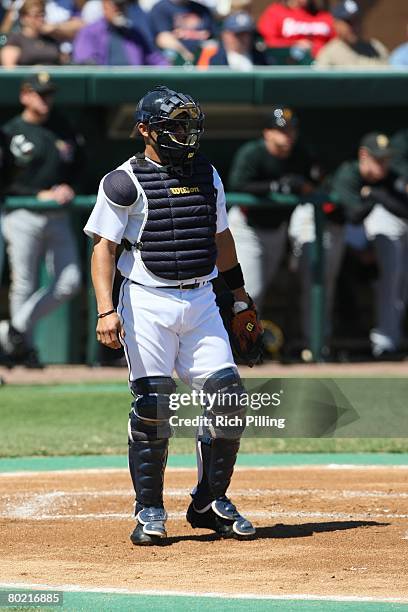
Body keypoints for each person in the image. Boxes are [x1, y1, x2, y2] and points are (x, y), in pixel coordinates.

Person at [84, 85, 261, 545]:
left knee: (229, 398)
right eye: (173, 126)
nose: (184, 134)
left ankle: (209, 502)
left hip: (202, 300)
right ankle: (149, 510)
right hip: (146, 300)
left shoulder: (207, 173)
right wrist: (106, 310)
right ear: (145, 130)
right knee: (154, 405)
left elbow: (221, 238)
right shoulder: (123, 180)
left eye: (188, 124)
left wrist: (240, 296)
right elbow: (103, 248)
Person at [0, 73, 82, 367]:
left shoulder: (62, 126)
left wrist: (69, 187)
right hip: (22, 214)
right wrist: (38, 193)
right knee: (24, 283)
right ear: (24, 95)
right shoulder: (11, 131)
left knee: (69, 282)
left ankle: (15, 331)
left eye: (48, 94)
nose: (44, 99)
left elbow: (79, 166)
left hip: (58, 215)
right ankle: (25, 349)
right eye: (38, 93)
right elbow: (5, 181)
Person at [228, 106, 319, 316]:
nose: (288, 136)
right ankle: (239, 346)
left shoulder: (301, 153)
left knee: (259, 292)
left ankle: (247, 343)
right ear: (267, 132)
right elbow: (237, 185)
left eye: (291, 131)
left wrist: (303, 184)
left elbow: (316, 182)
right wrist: (275, 186)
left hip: (277, 230)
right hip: (247, 228)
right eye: (281, 131)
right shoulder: (253, 152)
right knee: (251, 292)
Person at [331, 132, 408, 358]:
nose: (383, 165)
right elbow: (354, 215)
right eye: (378, 160)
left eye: (386, 160)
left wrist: (374, 193)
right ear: (363, 156)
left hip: (359, 234)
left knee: (393, 277)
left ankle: (385, 343)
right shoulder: (349, 172)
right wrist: (379, 196)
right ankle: (317, 345)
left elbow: (404, 209)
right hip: (328, 228)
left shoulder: (387, 176)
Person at [73, 0, 168, 65]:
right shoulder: (90, 32)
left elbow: (156, 60)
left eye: (124, 4)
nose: (121, 9)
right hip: (103, 88)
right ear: (105, 5)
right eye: (117, 4)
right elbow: (84, 64)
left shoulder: (134, 33)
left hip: (135, 86)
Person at [315, 0, 389, 68]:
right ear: (336, 24)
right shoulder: (329, 54)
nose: (354, 27)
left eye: (357, 20)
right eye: (349, 22)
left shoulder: (376, 47)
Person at [257, 0, 334, 59]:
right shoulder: (276, 12)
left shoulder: (324, 16)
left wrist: (317, 47)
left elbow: (336, 42)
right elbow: (267, 43)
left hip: (322, 62)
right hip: (287, 63)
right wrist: (294, 44)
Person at [150, 0, 216, 63]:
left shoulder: (202, 10)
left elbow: (210, 35)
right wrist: (184, 52)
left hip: (201, 55)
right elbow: (162, 38)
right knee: (169, 53)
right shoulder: (161, 8)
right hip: (176, 57)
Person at [197, 10, 269, 68]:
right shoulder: (215, 61)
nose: (241, 39)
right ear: (225, 35)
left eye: (245, 34)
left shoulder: (263, 60)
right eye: (237, 34)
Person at [0, 0, 61, 66]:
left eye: (42, 15)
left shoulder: (50, 38)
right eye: (36, 15)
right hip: (27, 76)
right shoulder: (15, 39)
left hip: (53, 75)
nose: (40, 18)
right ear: (24, 17)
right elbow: (9, 69)